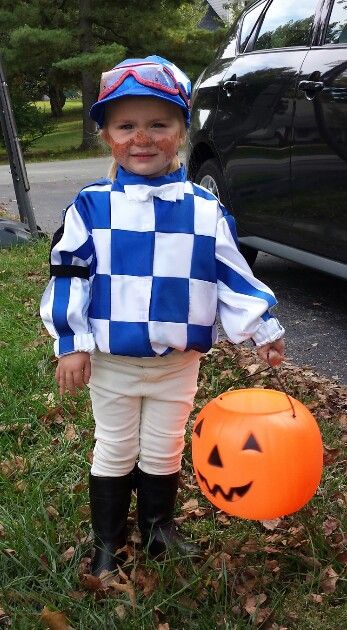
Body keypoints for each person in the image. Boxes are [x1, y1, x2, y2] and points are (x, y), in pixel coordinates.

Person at [40, 55, 285, 576]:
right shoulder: (92, 206)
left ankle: (158, 531)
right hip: (112, 362)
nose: (142, 138)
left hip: (179, 363)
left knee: (164, 448)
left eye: (159, 124)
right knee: (114, 447)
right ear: (107, 134)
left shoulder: (203, 209)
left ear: (181, 131)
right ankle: (108, 540)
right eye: (126, 125)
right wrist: (71, 341)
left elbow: (230, 274)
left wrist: (261, 326)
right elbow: (69, 273)